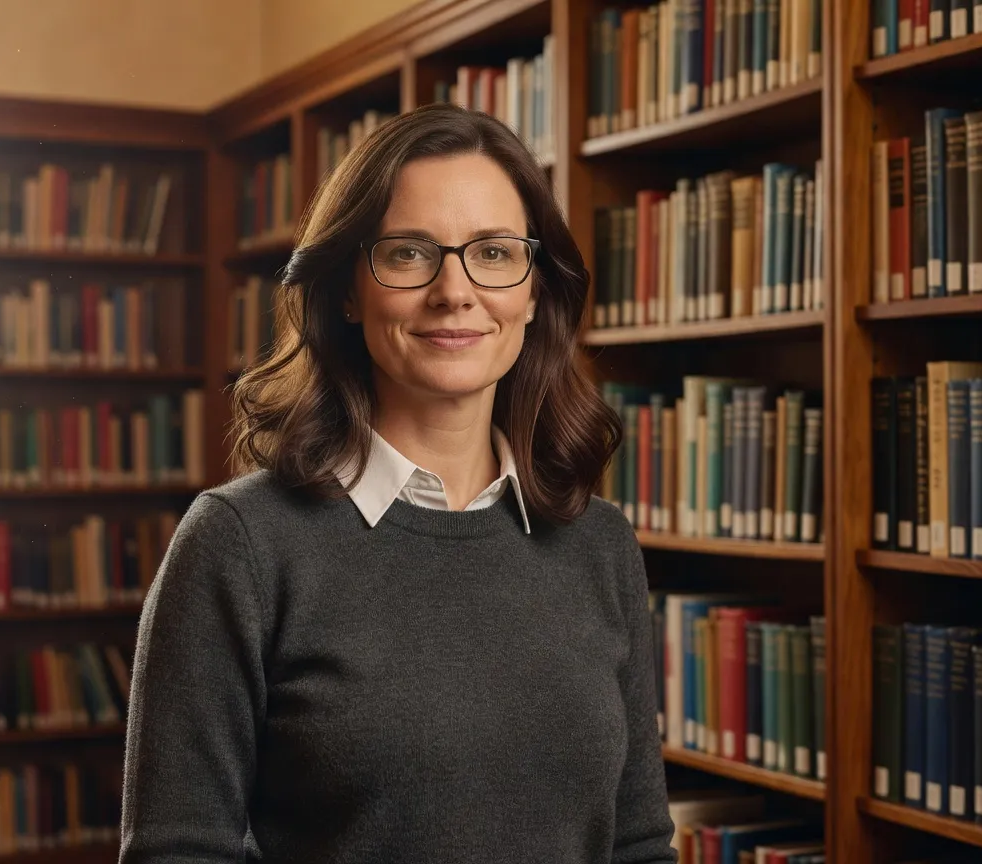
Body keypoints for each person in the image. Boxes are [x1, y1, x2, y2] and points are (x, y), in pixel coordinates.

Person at [119, 102, 677, 864]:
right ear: (348, 290)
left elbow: (638, 844)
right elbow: (178, 853)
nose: (455, 290)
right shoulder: (239, 544)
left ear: (534, 290)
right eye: (411, 254)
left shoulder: (598, 542)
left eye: (494, 251)